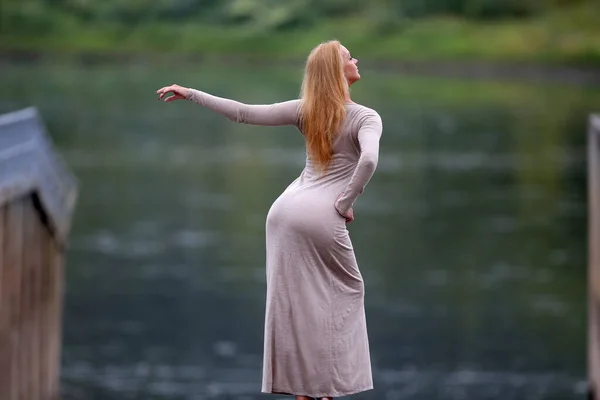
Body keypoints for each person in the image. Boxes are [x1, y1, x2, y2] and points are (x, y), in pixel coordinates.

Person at [156, 40, 383, 400]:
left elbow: (243, 113)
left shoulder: (306, 110)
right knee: (345, 292)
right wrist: (345, 201)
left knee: (295, 303)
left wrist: (190, 92)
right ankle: (326, 391)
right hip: (322, 215)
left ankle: (304, 392)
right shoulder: (365, 117)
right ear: (338, 72)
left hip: (284, 212)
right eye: (348, 56)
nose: (355, 59)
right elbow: (368, 161)